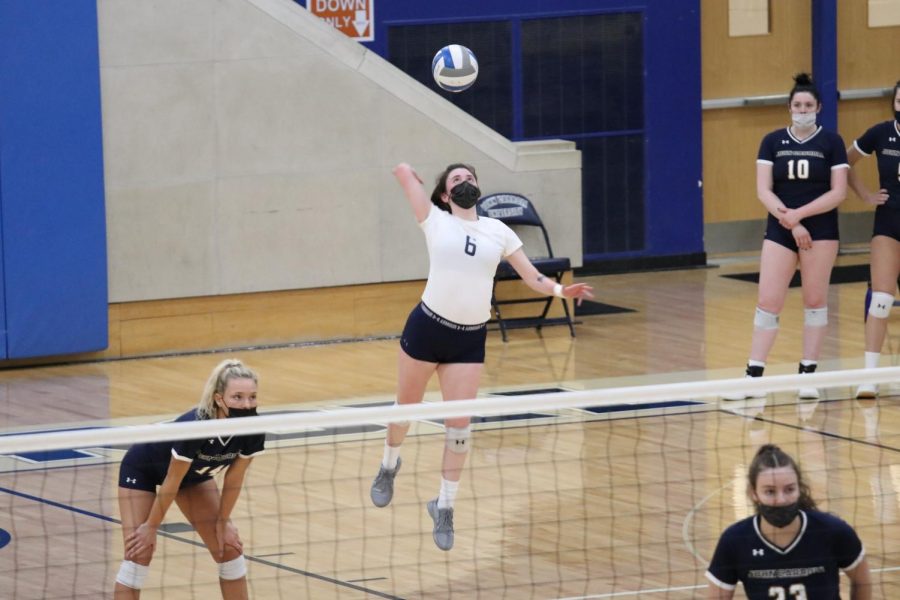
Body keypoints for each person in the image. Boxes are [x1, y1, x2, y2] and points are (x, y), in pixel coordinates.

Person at [369, 162, 594, 551]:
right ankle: (389, 466)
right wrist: (406, 172)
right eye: (456, 179)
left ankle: (445, 505)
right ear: (444, 194)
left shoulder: (498, 231)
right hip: (426, 329)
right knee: (404, 409)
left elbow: (532, 276)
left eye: (470, 178)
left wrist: (560, 292)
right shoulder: (434, 219)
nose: (465, 183)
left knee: (459, 429)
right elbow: (407, 182)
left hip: (468, 341)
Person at [725, 73, 849, 401]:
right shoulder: (772, 141)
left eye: (809, 105)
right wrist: (791, 221)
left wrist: (801, 215)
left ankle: (807, 374)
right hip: (781, 228)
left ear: (819, 108)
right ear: (789, 108)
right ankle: (753, 377)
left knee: (814, 300)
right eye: (797, 105)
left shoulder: (832, 143)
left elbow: (838, 193)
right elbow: (763, 190)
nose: (803, 110)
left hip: (821, 231)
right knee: (768, 301)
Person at [114, 359, 265, 599]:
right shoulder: (197, 425)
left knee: (229, 549)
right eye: (237, 397)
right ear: (219, 399)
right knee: (139, 553)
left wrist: (223, 522)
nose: (246, 404)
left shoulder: (253, 428)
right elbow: (172, 480)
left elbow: (234, 478)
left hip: (191, 477)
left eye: (252, 397)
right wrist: (150, 527)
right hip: (143, 470)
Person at [706, 444, 871, 599]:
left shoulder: (833, 531)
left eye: (789, 489)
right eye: (770, 492)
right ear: (753, 493)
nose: (781, 500)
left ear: (800, 488)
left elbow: (863, 581)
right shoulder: (735, 541)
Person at [847, 80, 900, 398]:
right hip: (889, 223)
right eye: (899, 98)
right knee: (881, 300)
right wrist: (865, 194)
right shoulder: (881, 133)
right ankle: (869, 376)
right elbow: (844, 162)